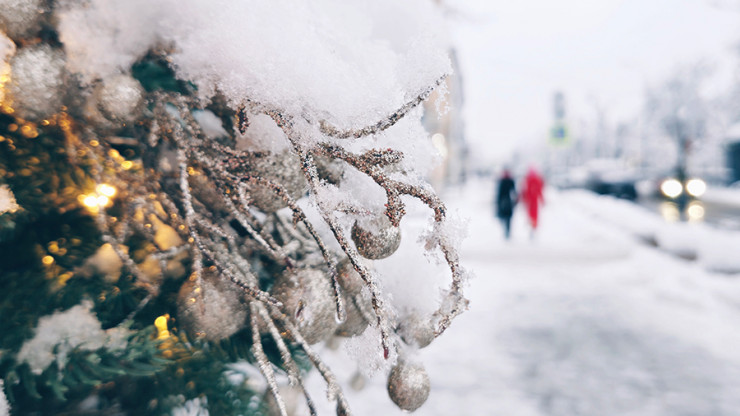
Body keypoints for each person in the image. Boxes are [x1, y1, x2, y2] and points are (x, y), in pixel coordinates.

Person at [520, 166, 545, 235]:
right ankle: (533, 228)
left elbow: (524, 191)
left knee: (530, 215)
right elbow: (539, 191)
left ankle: (532, 227)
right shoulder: (536, 180)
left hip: (529, 201)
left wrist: (523, 199)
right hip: (533, 201)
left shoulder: (527, 180)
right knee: (534, 215)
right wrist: (542, 200)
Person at [495, 169, 517, 240]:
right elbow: (514, 192)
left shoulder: (503, 181)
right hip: (508, 202)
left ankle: (507, 231)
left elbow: (499, 194)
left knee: (506, 218)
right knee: (507, 218)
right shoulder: (508, 181)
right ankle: (507, 231)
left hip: (505, 202)